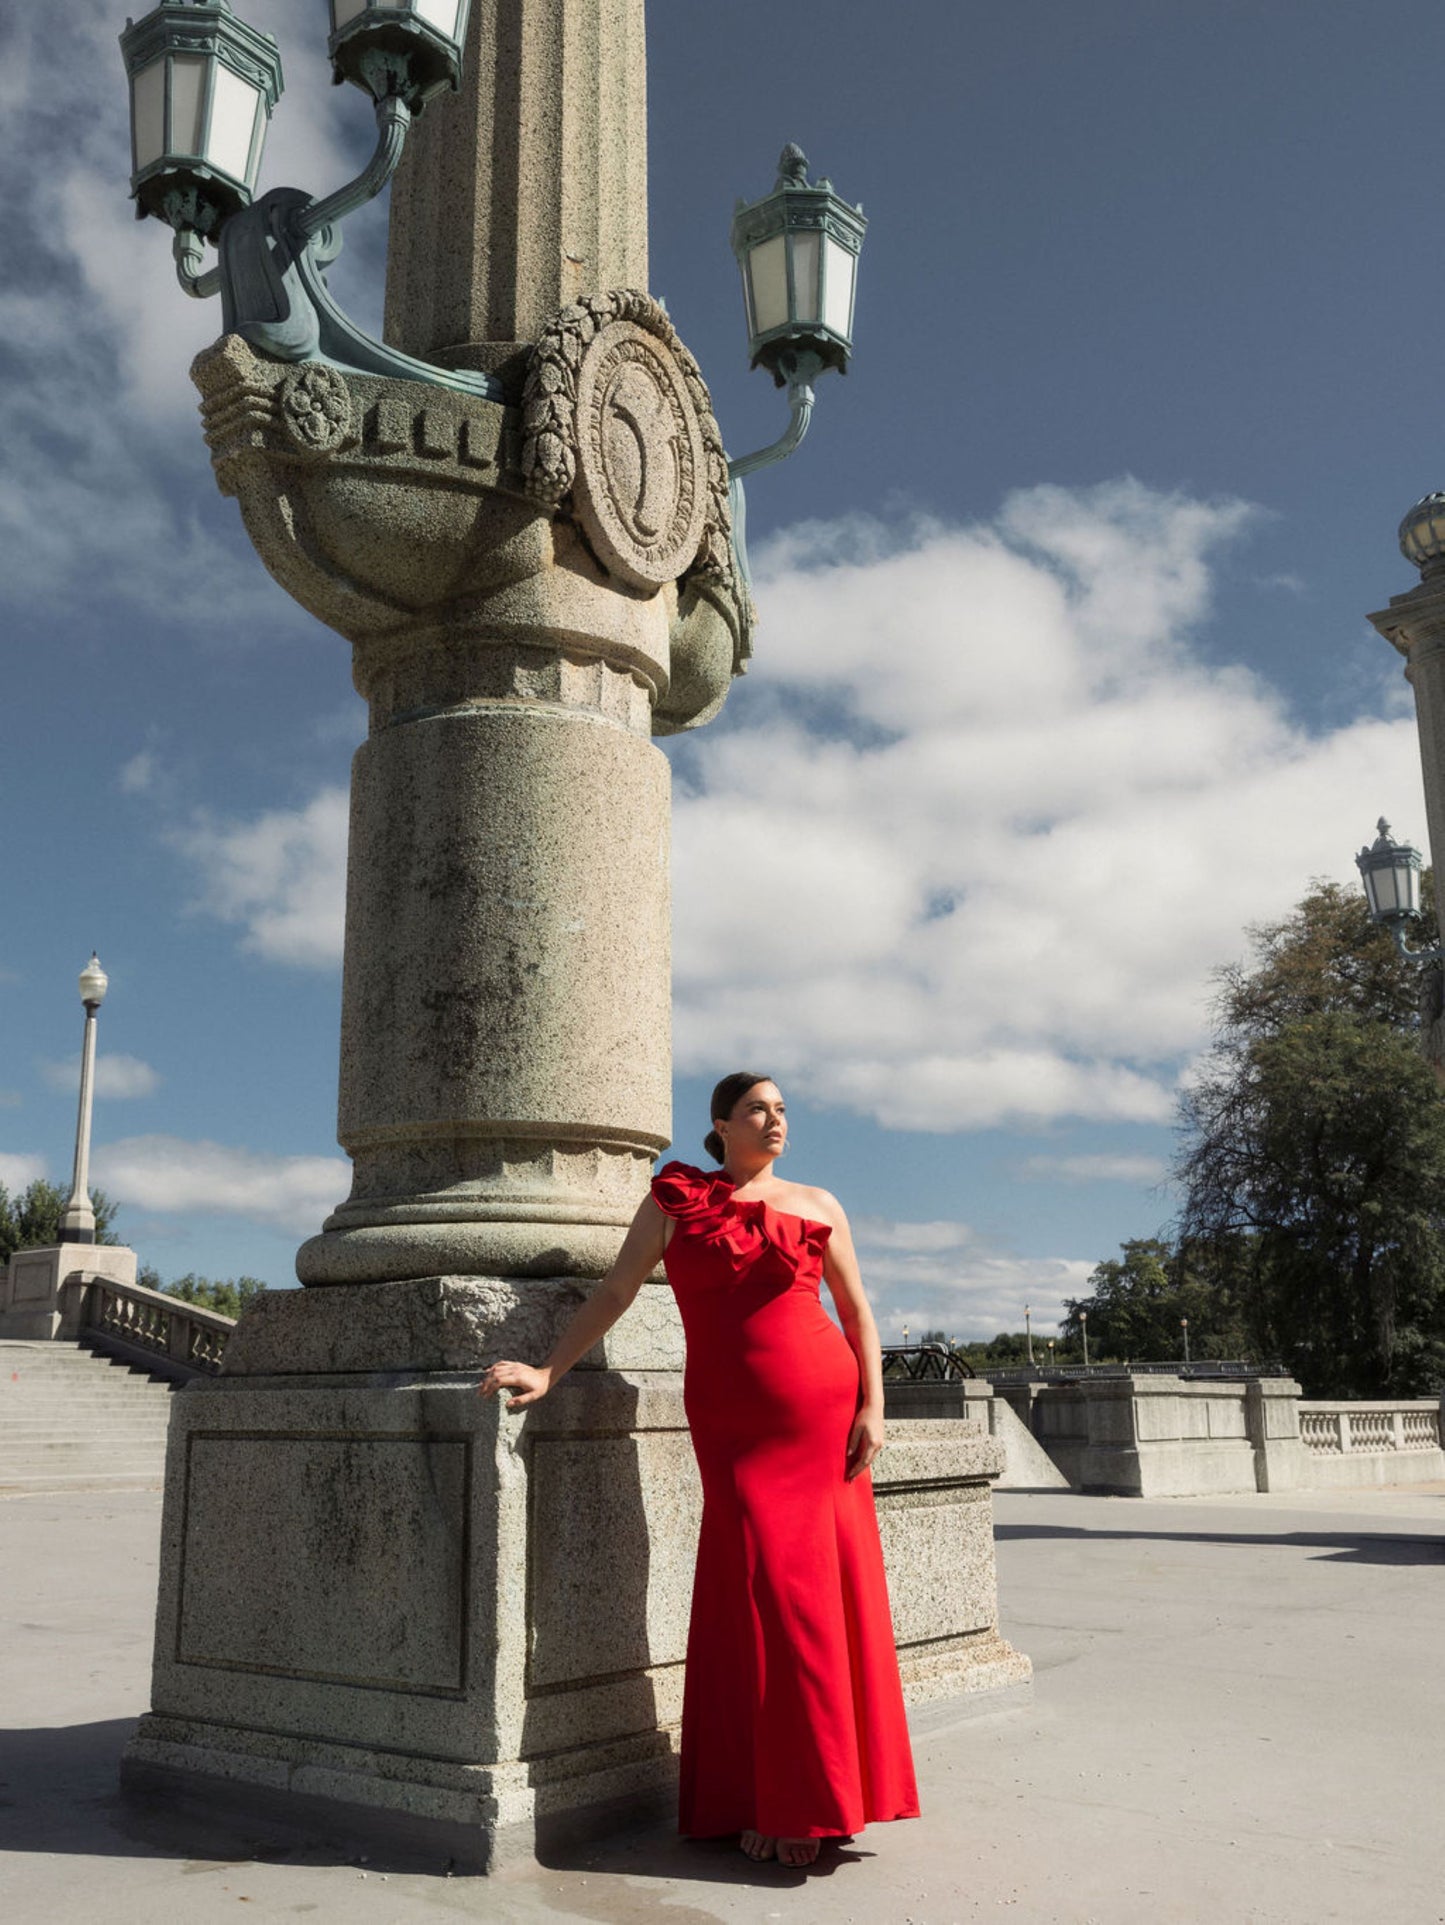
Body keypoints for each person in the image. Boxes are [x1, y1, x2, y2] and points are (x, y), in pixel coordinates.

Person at [480, 1072, 919, 1870]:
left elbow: (855, 1314)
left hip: (821, 1412)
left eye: (784, 1108)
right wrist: (549, 1370)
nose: (776, 1118)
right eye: (759, 1108)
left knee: (810, 1598)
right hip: (735, 1423)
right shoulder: (677, 1199)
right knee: (755, 1594)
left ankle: (806, 1803)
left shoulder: (820, 1203)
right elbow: (616, 1290)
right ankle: (755, 1791)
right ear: (720, 1123)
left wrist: (873, 1409)